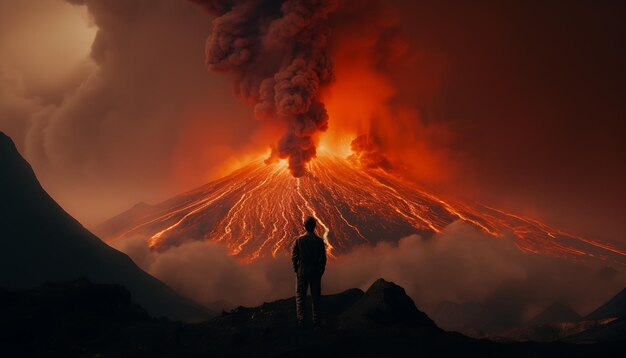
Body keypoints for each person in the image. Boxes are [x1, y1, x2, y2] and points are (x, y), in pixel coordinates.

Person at [291, 216, 327, 327]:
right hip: (315, 272)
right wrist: (320, 270)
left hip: (302, 272)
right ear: (314, 227)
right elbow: (323, 259)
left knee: (300, 298)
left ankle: (301, 322)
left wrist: (296, 269)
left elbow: (294, 257)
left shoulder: (299, 240)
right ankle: (316, 322)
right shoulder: (319, 241)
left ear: (304, 226)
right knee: (316, 298)